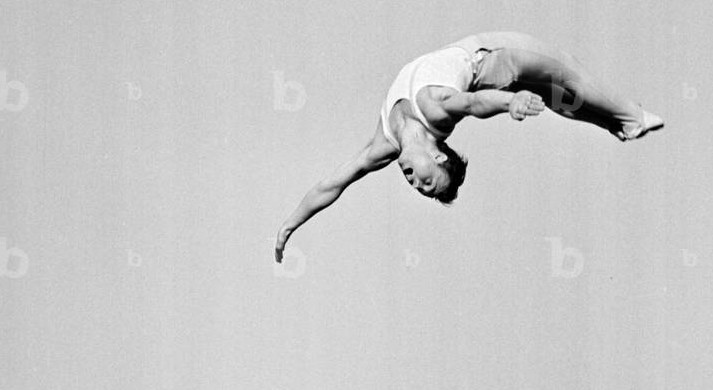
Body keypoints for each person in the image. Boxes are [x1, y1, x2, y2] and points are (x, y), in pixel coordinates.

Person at [275, 31, 664, 261]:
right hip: (496, 70)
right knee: (560, 89)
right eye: (427, 184)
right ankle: (623, 122)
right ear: (437, 155)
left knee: (564, 82)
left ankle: (628, 119)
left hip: (498, 64)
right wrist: (290, 225)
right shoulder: (432, 114)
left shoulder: (390, 141)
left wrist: (509, 102)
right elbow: (474, 104)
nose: (415, 184)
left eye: (422, 186)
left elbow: (331, 184)